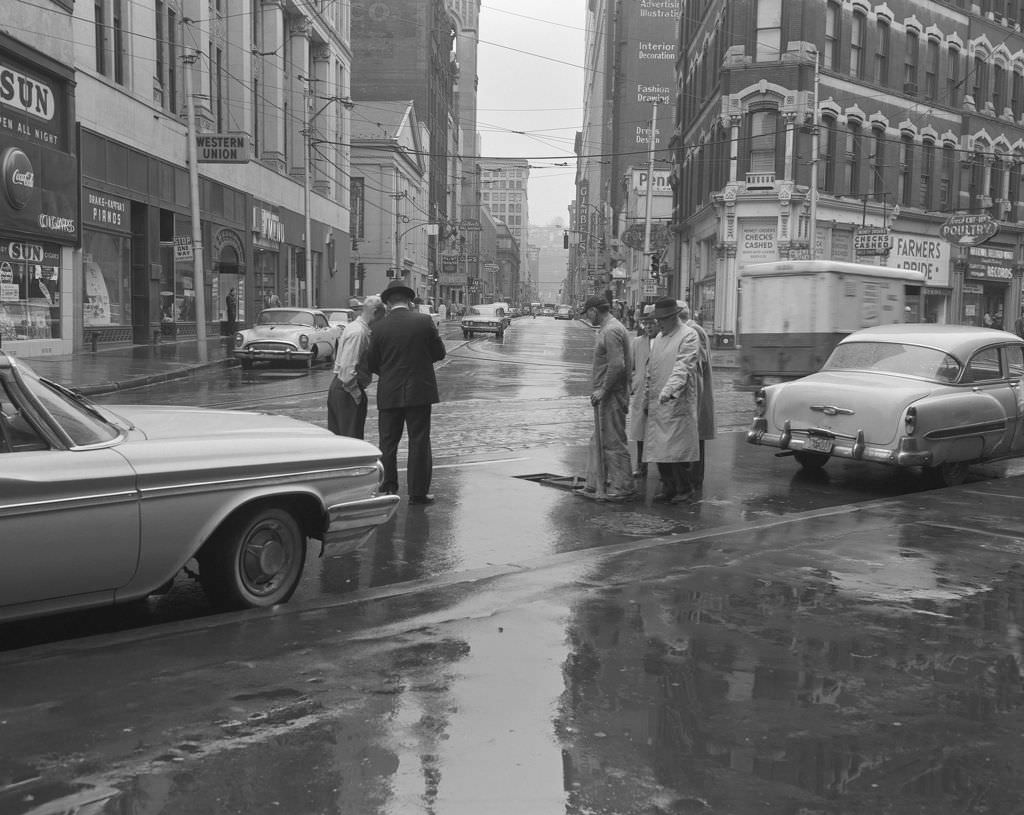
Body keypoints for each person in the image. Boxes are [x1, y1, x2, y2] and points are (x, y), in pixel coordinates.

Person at [365, 278, 447, 504]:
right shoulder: (424, 321)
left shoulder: (378, 327)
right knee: (419, 440)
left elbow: (371, 362)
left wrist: (389, 372)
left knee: (388, 442)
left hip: (389, 391)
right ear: (409, 301)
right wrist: (420, 362)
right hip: (420, 391)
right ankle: (418, 493)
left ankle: (389, 488)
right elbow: (439, 353)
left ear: (388, 302)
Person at [643, 297, 701, 504]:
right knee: (659, 450)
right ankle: (668, 486)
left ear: (673, 317)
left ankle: (684, 489)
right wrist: (647, 394)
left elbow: (683, 367)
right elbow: (652, 369)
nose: (658, 323)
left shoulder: (689, 335)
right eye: (657, 320)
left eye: (662, 319)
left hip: (676, 401)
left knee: (675, 450)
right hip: (658, 401)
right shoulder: (659, 338)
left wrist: (668, 391)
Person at [578, 293, 635, 500]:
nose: (587, 318)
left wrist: (603, 390)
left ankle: (623, 487)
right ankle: (594, 483)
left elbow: (617, 365)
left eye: (588, 313)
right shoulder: (608, 329)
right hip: (606, 395)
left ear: (594, 311)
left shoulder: (611, 330)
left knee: (613, 441)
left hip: (612, 394)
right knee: (598, 440)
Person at [327, 295, 385, 438]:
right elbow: (348, 368)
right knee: (351, 438)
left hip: (341, 387)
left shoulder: (354, 327)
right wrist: (356, 394)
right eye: (382, 316)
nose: (382, 321)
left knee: (341, 438)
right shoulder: (359, 333)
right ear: (375, 312)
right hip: (347, 389)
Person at [679, 301, 715, 491]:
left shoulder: (695, 331)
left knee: (696, 435)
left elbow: (696, 363)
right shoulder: (690, 330)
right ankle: (690, 476)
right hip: (693, 391)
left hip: (696, 392)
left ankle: (694, 478)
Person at [628, 304, 658, 479]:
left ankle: (664, 468)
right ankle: (641, 465)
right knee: (640, 431)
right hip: (641, 393)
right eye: (645, 324)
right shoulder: (638, 343)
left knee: (660, 431)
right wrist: (634, 382)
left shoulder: (664, 340)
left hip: (658, 391)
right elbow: (631, 366)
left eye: (651, 323)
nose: (648, 327)